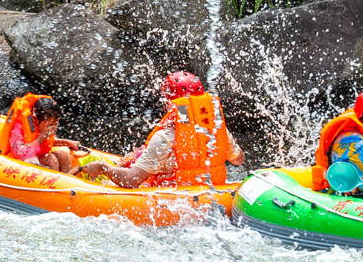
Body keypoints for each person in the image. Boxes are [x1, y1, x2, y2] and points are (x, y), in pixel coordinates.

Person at [80, 72, 243, 190]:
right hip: (210, 193)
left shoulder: (165, 137)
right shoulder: (217, 130)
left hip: (172, 199)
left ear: (168, 103)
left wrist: (103, 168)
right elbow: (238, 160)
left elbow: (132, 180)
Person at [2, 93, 81, 172]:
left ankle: (67, 180)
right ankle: (54, 183)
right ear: (35, 119)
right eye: (50, 125)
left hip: (36, 158)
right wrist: (40, 138)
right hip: (15, 163)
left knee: (62, 155)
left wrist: (66, 142)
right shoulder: (18, 128)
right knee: (50, 159)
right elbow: (21, 154)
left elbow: (47, 143)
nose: (53, 128)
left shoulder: (43, 123)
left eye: (56, 124)